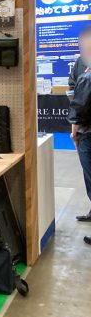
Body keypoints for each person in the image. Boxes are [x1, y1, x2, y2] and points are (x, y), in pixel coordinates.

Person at [70, 25, 91, 222]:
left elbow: (80, 107)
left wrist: (74, 131)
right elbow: (73, 88)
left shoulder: (87, 76)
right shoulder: (80, 65)